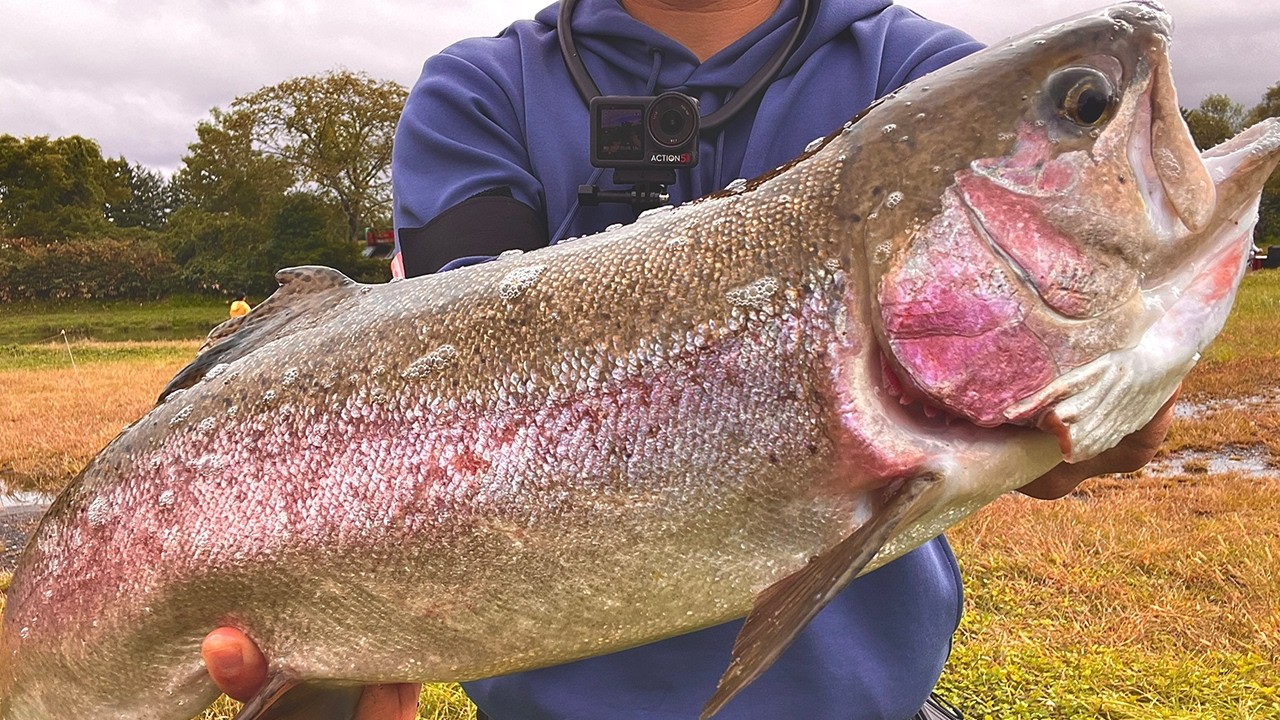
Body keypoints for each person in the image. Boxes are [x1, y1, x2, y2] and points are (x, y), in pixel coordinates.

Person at [205, 1, 1179, 718]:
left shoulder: (921, 75)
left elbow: (1038, 403)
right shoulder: (479, 93)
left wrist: (1087, 412)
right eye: (1080, 107)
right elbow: (462, 389)